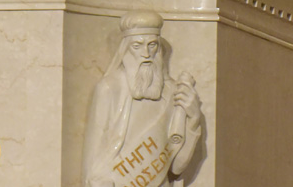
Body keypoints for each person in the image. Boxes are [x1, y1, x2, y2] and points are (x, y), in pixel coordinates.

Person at [82, 11, 203, 187]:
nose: (146, 53)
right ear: (125, 49)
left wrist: (193, 121)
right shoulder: (109, 89)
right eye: (137, 46)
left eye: (152, 45)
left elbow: (176, 167)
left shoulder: (172, 92)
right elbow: (93, 164)